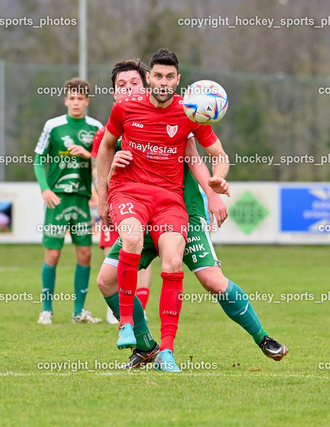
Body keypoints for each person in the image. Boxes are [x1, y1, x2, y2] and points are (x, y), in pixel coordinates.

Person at [96, 48, 230, 370]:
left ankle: (163, 350)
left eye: (170, 77)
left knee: (177, 265)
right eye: (158, 75)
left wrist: (215, 186)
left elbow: (202, 158)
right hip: (132, 199)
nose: (163, 82)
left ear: (176, 80)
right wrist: (104, 191)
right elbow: (106, 149)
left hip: (173, 204)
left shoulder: (188, 114)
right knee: (116, 263)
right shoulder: (123, 113)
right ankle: (131, 330)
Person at [34, 78, 103, 325]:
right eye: (71, 98)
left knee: (85, 253)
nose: (76, 103)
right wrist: (45, 190)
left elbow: (105, 158)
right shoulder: (53, 126)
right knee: (52, 254)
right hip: (57, 200)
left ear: (87, 101)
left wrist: (89, 154)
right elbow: (38, 159)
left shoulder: (96, 128)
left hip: (83, 199)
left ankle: (79, 311)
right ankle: (46, 310)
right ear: (65, 100)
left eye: (80, 99)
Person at [90, 63, 154, 325]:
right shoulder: (105, 133)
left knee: (143, 258)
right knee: (110, 252)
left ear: (146, 86)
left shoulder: (161, 123)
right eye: (121, 86)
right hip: (115, 203)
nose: (128, 89)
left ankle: (140, 308)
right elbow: (98, 168)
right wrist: (101, 198)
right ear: (115, 95)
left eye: (134, 84)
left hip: (151, 205)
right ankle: (119, 306)